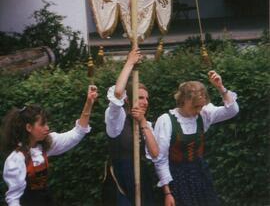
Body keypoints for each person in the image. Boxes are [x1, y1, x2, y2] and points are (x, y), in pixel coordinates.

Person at [1, 85, 98, 206]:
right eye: (42, 124)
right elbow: (13, 199)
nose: (47, 128)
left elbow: (77, 133)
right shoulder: (16, 159)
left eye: (46, 123)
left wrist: (89, 103)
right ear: (29, 128)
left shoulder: (45, 145)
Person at [153, 70, 239, 206]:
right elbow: (160, 159)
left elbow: (232, 110)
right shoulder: (166, 121)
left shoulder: (204, 114)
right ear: (183, 100)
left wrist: (220, 88)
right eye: (195, 106)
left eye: (201, 105)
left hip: (200, 174)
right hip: (175, 178)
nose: (199, 109)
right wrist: (167, 192)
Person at [104, 48, 159, 206]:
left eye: (146, 98)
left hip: (140, 176)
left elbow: (155, 153)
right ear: (129, 99)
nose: (145, 102)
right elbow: (118, 93)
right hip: (121, 177)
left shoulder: (145, 124)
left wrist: (142, 122)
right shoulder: (116, 118)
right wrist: (129, 62)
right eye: (140, 97)